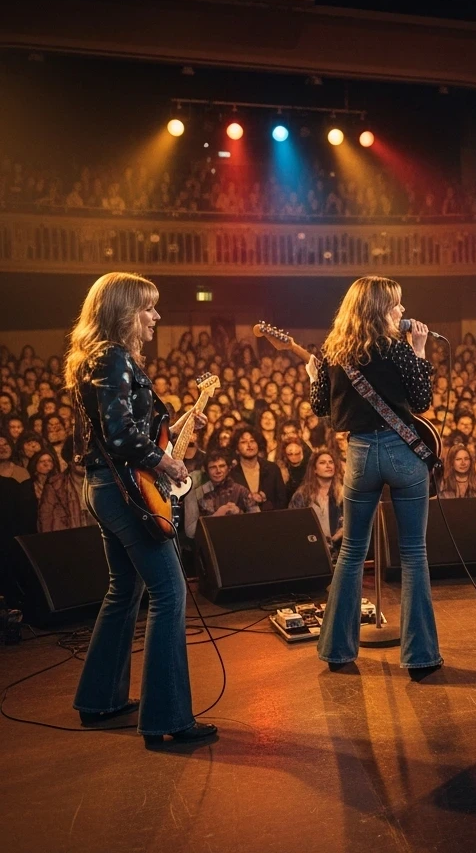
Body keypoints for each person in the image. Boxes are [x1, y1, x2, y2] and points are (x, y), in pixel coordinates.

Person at [67, 271, 216, 744]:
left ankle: (99, 699)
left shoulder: (103, 359)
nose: (156, 316)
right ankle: (168, 719)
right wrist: (164, 462)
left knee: (124, 588)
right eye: (148, 308)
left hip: (105, 487)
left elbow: (123, 429)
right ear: (123, 312)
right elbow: (120, 435)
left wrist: (178, 426)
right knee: (170, 594)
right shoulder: (113, 358)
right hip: (122, 491)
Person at [307, 275, 441, 674]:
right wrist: (418, 350)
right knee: (414, 553)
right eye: (396, 304)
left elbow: (322, 410)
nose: (403, 311)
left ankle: (337, 651)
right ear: (381, 309)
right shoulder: (398, 350)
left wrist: (315, 379)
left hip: (361, 454)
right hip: (402, 453)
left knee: (350, 552)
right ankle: (420, 658)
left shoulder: (334, 353)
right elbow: (422, 401)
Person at [288, 448, 343, 555]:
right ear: (314, 469)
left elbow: (354, 521)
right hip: (310, 550)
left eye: (331, 462)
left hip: (339, 551)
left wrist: (341, 533)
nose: (328, 465)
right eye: (322, 463)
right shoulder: (302, 495)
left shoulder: (343, 494)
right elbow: (293, 524)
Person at [229, 428, 287, 510]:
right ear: (237, 449)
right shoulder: (232, 474)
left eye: (252, 441)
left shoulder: (272, 469)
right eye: (243, 442)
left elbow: (282, 502)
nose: (249, 445)